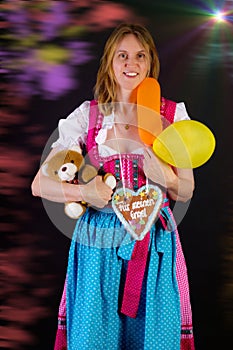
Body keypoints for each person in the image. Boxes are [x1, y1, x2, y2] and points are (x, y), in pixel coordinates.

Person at [31, 23, 195, 350]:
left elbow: (186, 190)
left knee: (153, 339)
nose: (130, 63)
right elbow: (40, 184)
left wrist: (163, 175)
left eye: (139, 56)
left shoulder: (172, 115)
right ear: (110, 62)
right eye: (122, 55)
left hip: (152, 242)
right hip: (96, 242)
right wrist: (85, 193)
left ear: (150, 64)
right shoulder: (86, 117)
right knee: (94, 338)